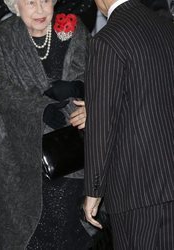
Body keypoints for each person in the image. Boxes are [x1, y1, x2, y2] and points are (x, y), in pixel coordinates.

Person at [0, 0, 100, 249]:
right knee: (33, 234)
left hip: (72, 153)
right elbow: (3, 92)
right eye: (31, 3)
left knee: (70, 231)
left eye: (45, 1)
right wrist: (40, 109)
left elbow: (97, 75)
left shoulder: (73, 29)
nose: (40, 10)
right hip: (25, 157)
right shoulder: (4, 36)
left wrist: (86, 98)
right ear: (15, 5)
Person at [83, 0, 174, 249]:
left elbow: (102, 124)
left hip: (138, 191)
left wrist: (93, 190)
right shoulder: (168, 28)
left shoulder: (106, 41)